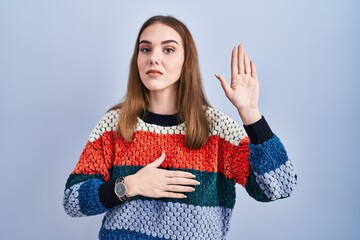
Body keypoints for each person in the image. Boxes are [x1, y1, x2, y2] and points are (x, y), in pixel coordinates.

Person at [63, 15, 297, 240]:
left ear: (187, 61)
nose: (154, 58)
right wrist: (129, 185)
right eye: (145, 49)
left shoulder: (217, 129)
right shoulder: (115, 124)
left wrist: (251, 114)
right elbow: (73, 200)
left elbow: (279, 186)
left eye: (168, 49)